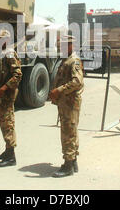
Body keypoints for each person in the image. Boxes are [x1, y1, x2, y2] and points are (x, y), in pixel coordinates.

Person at [49, 35, 84, 177]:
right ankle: (73, 161)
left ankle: (68, 165)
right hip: (66, 102)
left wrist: (59, 90)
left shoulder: (73, 61)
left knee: (68, 132)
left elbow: (77, 82)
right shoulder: (67, 60)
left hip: (70, 102)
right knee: (71, 130)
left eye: (63, 45)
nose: (60, 47)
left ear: (70, 45)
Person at [0, 29, 22, 167]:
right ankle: (7, 150)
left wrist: (3, 89)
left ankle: (11, 157)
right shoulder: (1, 53)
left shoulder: (10, 53)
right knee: (4, 123)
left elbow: (17, 75)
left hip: (7, 94)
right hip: (1, 95)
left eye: (1, 39)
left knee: (8, 123)